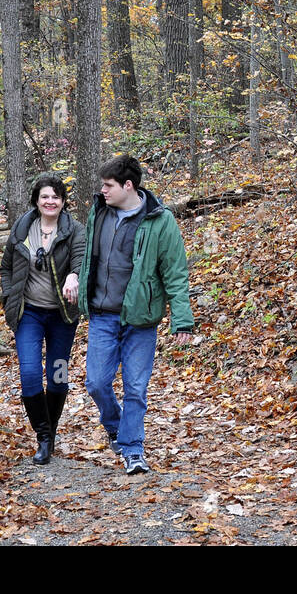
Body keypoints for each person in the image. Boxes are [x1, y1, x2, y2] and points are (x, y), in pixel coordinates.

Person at [79, 154, 195, 474]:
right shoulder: (99, 212)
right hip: (102, 314)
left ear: (128, 186)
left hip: (141, 319)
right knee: (97, 383)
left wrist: (182, 319)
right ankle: (115, 426)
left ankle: (133, 449)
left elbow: (175, 272)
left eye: (108, 185)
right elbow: (88, 254)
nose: (102, 190)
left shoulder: (160, 220)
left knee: (135, 388)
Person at [0, 173, 86, 465]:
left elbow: (81, 258)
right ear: (36, 201)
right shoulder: (22, 228)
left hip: (63, 316)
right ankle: (44, 436)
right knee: (30, 375)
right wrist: (8, 296)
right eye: (45, 196)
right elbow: (7, 267)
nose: (51, 202)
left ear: (63, 201)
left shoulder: (75, 230)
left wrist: (74, 276)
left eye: (56, 197)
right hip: (29, 314)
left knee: (58, 375)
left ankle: (51, 430)